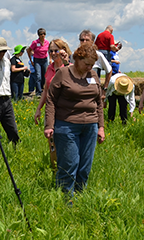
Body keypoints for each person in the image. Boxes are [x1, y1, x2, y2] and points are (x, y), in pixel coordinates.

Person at [44, 42, 105, 196]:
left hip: (90, 126)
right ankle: (66, 198)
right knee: (70, 164)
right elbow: (50, 99)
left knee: (85, 166)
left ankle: (80, 196)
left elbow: (99, 102)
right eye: (86, 64)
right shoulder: (63, 74)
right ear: (77, 59)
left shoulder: (93, 75)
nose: (89, 67)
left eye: (92, 64)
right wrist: (49, 125)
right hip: (67, 125)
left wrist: (101, 127)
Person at [34, 38, 72, 167]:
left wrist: (67, 63)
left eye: (56, 50)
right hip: (51, 110)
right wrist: (39, 108)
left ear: (64, 50)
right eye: (51, 51)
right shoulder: (49, 68)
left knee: (65, 141)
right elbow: (46, 90)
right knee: (51, 141)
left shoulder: (70, 67)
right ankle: (55, 167)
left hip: (66, 111)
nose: (53, 53)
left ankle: (66, 167)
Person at [27, 28, 49, 96]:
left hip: (45, 59)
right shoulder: (35, 42)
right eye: (41, 34)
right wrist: (31, 60)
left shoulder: (47, 42)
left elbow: (50, 50)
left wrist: (50, 59)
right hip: (37, 60)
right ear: (38, 35)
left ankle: (44, 89)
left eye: (44, 34)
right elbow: (29, 50)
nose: (43, 35)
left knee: (45, 75)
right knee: (38, 76)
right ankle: (39, 92)